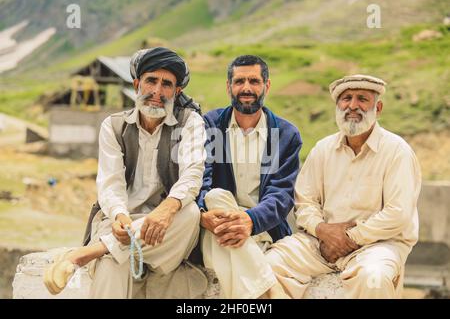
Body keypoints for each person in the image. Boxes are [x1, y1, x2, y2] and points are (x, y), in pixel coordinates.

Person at [43, 47, 207, 298]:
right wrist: (120, 215)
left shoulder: (190, 122)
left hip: (168, 231)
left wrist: (167, 209)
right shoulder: (114, 125)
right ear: (137, 83)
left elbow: (192, 174)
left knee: (191, 212)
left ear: (177, 91)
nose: (157, 92)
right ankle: (106, 250)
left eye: (167, 84)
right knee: (111, 265)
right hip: (122, 224)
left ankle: (88, 253)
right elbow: (110, 184)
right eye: (151, 80)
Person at [265, 74, 421, 298]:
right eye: (346, 98)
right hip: (320, 242)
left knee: (374, 278)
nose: (353, 105)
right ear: (337, 106)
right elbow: (304, 202)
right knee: (269, 266)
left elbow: (398, 214)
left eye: (362, 99)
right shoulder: (323, 149)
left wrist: (351, 238)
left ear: (378, 108)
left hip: (377, 245)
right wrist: (321, 230)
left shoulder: (397, 151)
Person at [197, 55, 302, 298]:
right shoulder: (209, 126)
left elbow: (281, 195)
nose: (246, 88)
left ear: (267, 85)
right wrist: (206, 213)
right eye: (239, 81)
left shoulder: (286, 134)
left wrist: (250, 221)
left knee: (230, 258)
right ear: (228, 86)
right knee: (216, 195)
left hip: (265, 231)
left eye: (254, 81)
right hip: (216, 227)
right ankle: (272, 294)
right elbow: (201, 182)